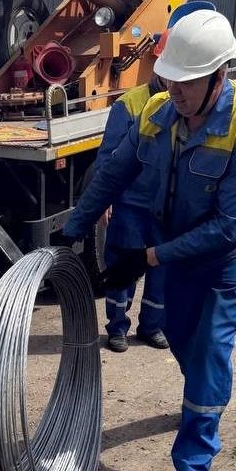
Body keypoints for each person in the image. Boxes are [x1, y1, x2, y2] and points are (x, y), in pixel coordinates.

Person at [64, 9, 236, 471]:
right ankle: (206, 392)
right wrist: (71, 231)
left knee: (209, 343)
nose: (174, 90)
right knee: (181, 334)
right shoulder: (158, 114)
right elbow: (113, 172)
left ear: (219, 76)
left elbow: (228, 227)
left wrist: (148, 257)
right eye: (169, 78)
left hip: (235, 252)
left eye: (187, 81)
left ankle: (194, 462)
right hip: (181, 241)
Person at [96, 78, 169, 353]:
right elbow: (109, 155)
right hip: (130, 204)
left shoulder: (188, 103)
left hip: (165, 205)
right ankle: (117, 327)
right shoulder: (128, 104)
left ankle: (152, 326)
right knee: (123, 266)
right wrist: (104, 197)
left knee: (162, 266)